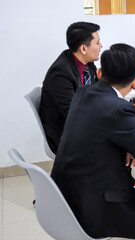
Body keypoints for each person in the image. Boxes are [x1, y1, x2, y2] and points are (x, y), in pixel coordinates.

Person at [50, 43, 135, 239]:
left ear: (100, 71)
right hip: (95, 210)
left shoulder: (83, 93)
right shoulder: (117, 110)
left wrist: (128, 143)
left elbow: (100, 133)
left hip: (66, 197)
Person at [39, 21, 102, 154]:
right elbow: (74, 115)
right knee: (118, 140)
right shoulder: (60, 74)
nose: (101, 46)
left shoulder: (87, 64)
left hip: (83, 125)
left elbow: (97, 94)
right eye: (97, 43)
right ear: (83, 49)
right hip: (66, 136)